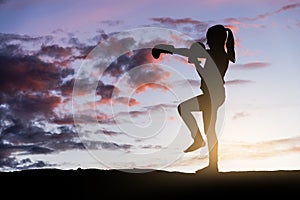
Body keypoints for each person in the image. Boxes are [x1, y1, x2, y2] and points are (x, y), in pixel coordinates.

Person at [152, 24, 236, 172]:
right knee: (208, 129)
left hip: (213, 95)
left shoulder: (219, 56)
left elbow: (204, 75)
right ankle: (209, 160)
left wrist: (196, 63)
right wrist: (167, 49)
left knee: (190, 113)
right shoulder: (216, 54)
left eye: (209, 39)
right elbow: (189, 52)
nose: (207, 42)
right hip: (211, 95)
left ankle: (207, 156)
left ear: (215, 40)